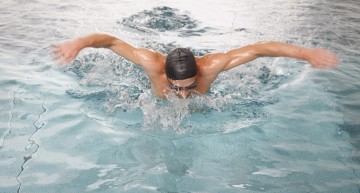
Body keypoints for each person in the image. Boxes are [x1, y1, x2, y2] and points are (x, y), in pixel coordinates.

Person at [52, 33, 339, 99]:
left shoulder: (211, 65)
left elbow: (257, 49)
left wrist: (305, 53)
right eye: (177, 88)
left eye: (190, 88)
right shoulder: (151, 63)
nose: (185, 96)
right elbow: (111, 42)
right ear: (164, 74)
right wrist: (78, 45)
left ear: (199, 73)